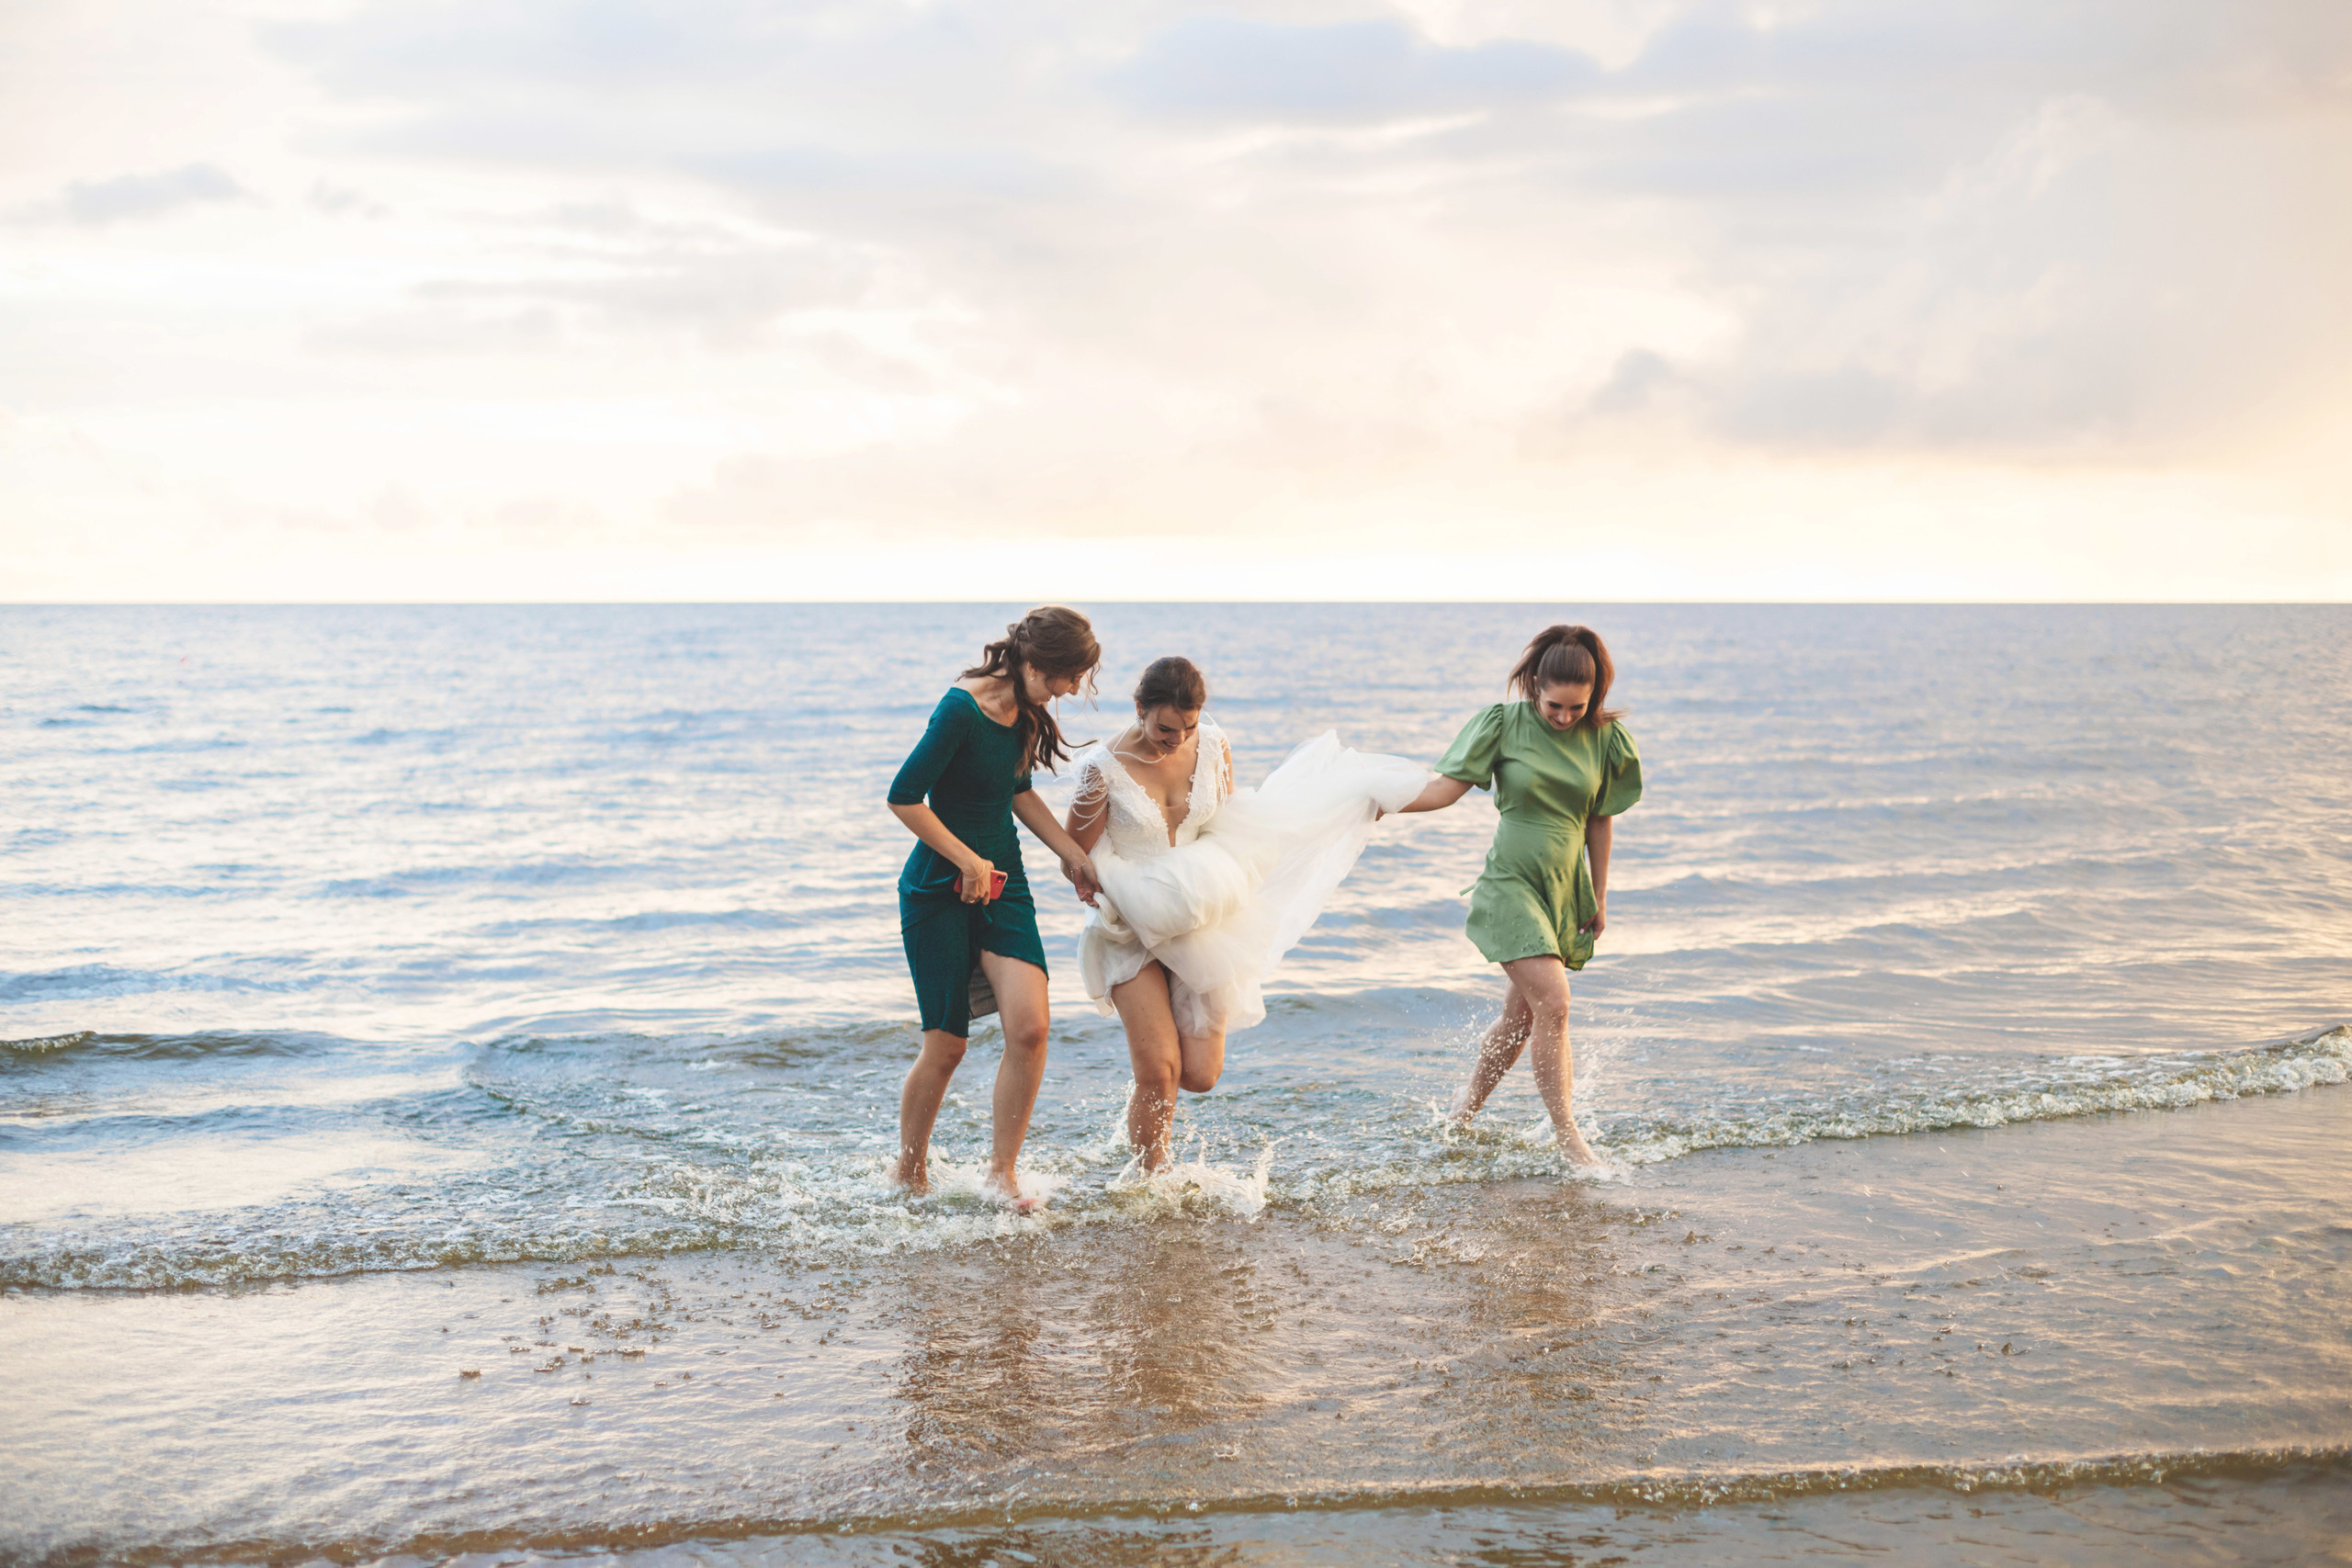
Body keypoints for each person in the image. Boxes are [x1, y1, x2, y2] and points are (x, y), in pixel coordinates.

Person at [1066, 657, 1427, 1170]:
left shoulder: (1214, 746)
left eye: (1188, 727)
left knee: (1199, 1075)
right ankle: (1151, 1182)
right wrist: (1100, 885)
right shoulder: (1100, 771)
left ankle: (1143, 1114)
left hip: (1202, 917)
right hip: (1129, 925)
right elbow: (1073, 854)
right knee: (1159, 1069)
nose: (1176, 740)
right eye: (1165, 729)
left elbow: (1230, 822)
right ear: (1139, 708)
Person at [1393, 624, 1643, 1167]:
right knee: (1555, 1002)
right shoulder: (1503, 724)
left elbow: (1600, 820)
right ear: (1534, 686)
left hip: (1562, 889)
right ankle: (1569, 1138)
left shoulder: (1605, 738)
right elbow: (1444, 790)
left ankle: (1463, 1111)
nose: (1565, 717)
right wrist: (1378, 803)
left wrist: (1599, 895)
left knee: (1522, 1019)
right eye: (1555, 706)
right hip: (1510, 883)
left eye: (1577, 707)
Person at [886, 605, 1103, 1208]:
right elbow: (904, 796)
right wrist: (967, 860)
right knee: (947, 1047)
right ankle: (908, 1174)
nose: (1070, 690)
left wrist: (1072, 854)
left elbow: (1017, 790)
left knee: (1031, 1028)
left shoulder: (1026, 714)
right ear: (1035, 663)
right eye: (1066, 676)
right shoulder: (960, 709)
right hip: (938, 890)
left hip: (1005, 888)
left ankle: (1001, 1175)